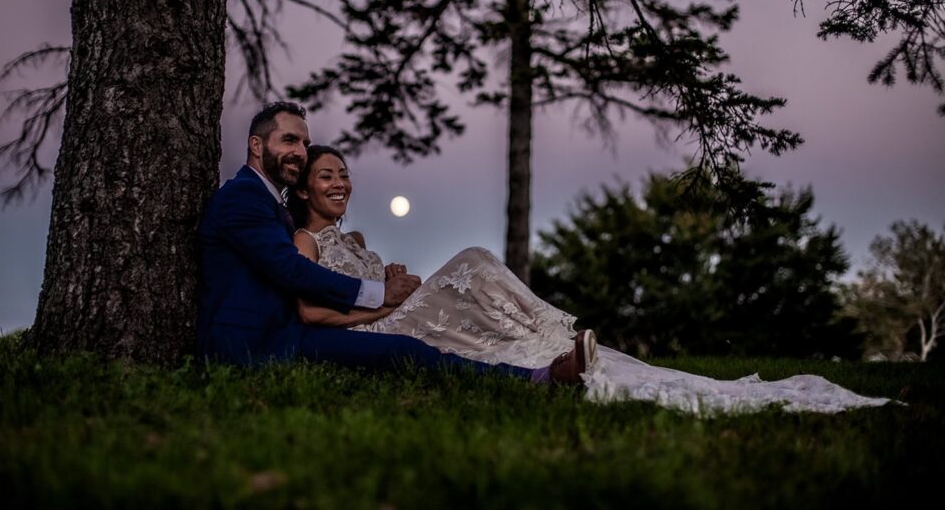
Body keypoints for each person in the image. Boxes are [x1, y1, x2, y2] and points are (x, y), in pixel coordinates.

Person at [287, 144, 896, 415]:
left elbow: (377, 280)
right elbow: (313, 314)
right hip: (381, 329)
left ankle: (550, 342)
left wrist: (394, 278)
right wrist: (387, 304)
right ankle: (548, 344)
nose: (340, 183)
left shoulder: (357, 240)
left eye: (344, 174)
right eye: (326, 176)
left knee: (474, 270)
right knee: (473, 258)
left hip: (400, 308)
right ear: (304, 188)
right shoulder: (304, 242)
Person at [195, 101, 595, 386]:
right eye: (288, 140)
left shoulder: (269, 202)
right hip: (253, 344)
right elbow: (292, 270)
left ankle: (545, 359)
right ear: (256, 145)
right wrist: (379, 294)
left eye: (303, 142)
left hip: (288, 333)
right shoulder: (242, 197)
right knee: (408, 351)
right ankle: (539, 379)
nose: (298, 152)